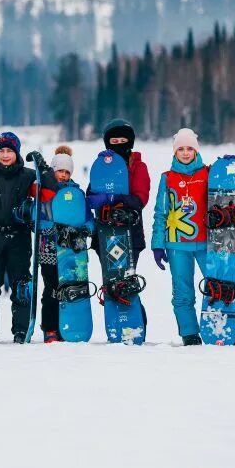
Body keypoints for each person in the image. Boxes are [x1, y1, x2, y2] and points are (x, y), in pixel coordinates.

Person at [151, 129, 235, 346]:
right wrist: (157, 245)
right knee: (183, 292)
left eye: (189, 149)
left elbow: (225, 192)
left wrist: (227, 170)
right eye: (181, 149)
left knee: (219, 286)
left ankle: (225, 329)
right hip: (176, 243)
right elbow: (160, 212)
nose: (185, 153)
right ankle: (189, 332)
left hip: (207, 242)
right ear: (175, 152)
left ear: (196, 150)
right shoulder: (167, 178)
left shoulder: (209, 173)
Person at [0, 132, 57, 343]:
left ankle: (21, 330)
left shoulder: (28, 176)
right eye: (1, 151)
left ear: (17, 153)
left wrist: (44, 170)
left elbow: (49, 194)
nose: (5, 155)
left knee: (22, 285)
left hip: (20, 236)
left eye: (9, 151)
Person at [87, 119, 151, 329]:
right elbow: (92, 196)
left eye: (123, 140)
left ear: (130, 142)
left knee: (127, 282)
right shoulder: (101, 166)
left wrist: (111, 197)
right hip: (104, 234)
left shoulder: (138, 167)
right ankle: (116, 324)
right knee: (112, 282)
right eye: (114, 140)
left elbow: (140, 200)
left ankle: (135, 324)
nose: (118, 144)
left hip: (130, 234)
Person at [37, 146, 93, 343]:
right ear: (53, 171)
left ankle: (71, 326)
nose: (63, 175)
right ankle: (51, 327)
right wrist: (55, 228)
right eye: (59, 171)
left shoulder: (77, 194)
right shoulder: (44, 194)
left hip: (72, 251)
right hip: (50, 250)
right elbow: (38, 221)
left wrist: (86, 230)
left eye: (66, 171)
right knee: (52, 288)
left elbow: (88, 218)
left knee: (72, 286)